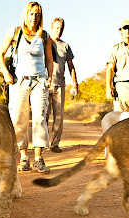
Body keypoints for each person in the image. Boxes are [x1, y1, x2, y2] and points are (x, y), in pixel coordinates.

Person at [0, 1, 53, 173]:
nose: (34, 17)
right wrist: (6, 73)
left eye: (37, 14)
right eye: (31, 13)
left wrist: (49, 78)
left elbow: (50, 60)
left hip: (39, 81)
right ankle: (23, 157)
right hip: (19, 82)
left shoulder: (44, 36)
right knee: (18, 119)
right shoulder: (14, 32)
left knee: (39, 118)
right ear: (25, 14)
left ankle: (38, 159)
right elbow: (0, 54)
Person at [47, 17, 78, 153]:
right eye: (57, 28)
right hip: (45, 85)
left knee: (58, 117)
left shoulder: (65, 46)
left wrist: (75, 83)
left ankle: (54, 144)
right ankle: (41, 143)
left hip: (60, 85)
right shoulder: (44, 43)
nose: (59, 31)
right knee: (43, 116)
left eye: (61, 28)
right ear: (52, 27)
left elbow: (71, 66)